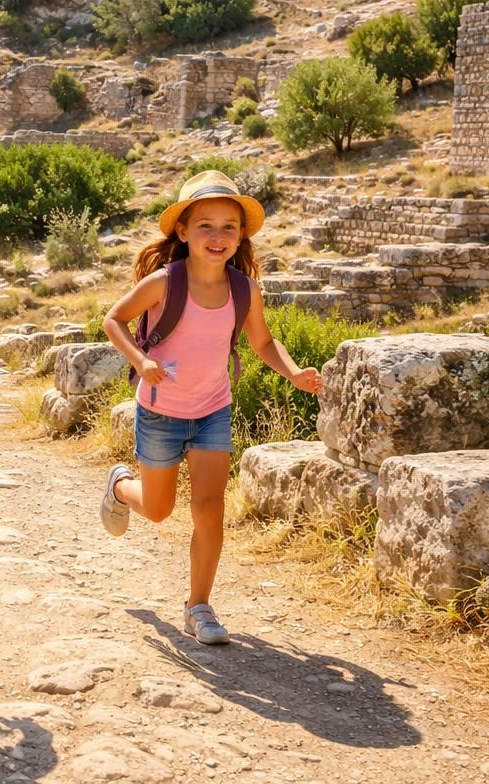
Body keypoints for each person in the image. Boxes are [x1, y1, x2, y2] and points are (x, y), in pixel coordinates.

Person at [97, 169, 322, 644]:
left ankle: (199, 607)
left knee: (209, 509)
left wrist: (295, 372)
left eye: (229, 227)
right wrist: (140, 359)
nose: (217, 236)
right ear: (182, 231)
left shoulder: (245, 290)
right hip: (159, 411)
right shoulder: (164, 282)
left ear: (241, 237)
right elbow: (113, 319)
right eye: (205, 225)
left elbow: (263, 341)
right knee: (158, 511)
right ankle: (121, 488)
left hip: (213, 408)